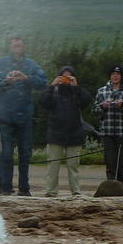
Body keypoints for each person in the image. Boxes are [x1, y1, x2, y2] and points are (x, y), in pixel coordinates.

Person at [0, 37, 47, 196]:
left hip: (25, 115)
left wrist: (26, 78)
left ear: (24, 46)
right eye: (14, 45)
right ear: (10, 46)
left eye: (20, 45)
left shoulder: (31, 64)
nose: (17, 48)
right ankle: (6, 187)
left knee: (25, 153)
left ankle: (24, 188)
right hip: (5, 115)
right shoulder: (0, 63)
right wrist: (7, 81)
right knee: (6, 153)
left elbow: (43, 83)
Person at [40, 65, 93, 198]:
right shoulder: (55, 91)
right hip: (55, 133)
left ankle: (76, 191)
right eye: (64, 77)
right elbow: (43, 102)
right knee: (53, 165)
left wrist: (76, 87)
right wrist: (52, 86)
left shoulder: (77, 92)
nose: (66, 80)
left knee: (73, 166)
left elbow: (87, 100)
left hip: (74, 133)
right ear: (59, 77)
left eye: (69, 77)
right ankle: (51, 191)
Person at [93, 63, 123, 186]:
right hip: (107, 132)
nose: (115, 76)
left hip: (122, 132)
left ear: (121, 76)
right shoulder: (101, 91)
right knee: (110, 163)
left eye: (118, 74)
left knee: (121, 164)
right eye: (113, 74)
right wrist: (102, 106)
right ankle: (111, 190)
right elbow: (95, 111)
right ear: (109, 76)